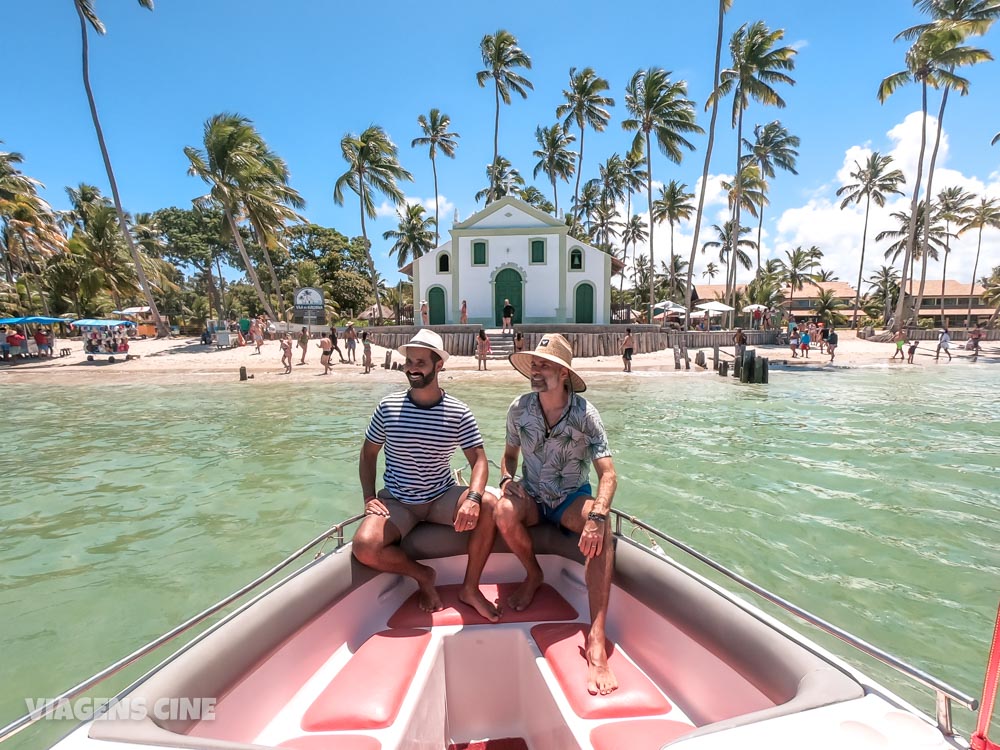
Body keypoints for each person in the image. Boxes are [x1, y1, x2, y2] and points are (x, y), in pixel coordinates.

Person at [482, 333, 619, 695]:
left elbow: (608, 473)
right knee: (502, 511)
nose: (536, 371)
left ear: (563, 374)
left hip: (570, 498)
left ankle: (596, 635)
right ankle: (533, 574)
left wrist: (599, 515)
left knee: (601, 530)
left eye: (544, 366)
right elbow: (509, 456)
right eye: (534, 365)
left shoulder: (586, 415)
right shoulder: (519, 408)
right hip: (532, 495)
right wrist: (506, 477)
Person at [351, 329, 496, 616]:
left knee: (490, 503)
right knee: (365, 547)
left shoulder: (458, 412)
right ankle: (422, 575)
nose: (412, 368)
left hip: (440, 497)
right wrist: (369, 497)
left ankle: (470, 587)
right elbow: (369, 454)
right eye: (409, 362)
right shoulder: (388, 407)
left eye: (420, 362)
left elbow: (479, 460)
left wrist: (473, 498)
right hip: (397, 503)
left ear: (438, 365)